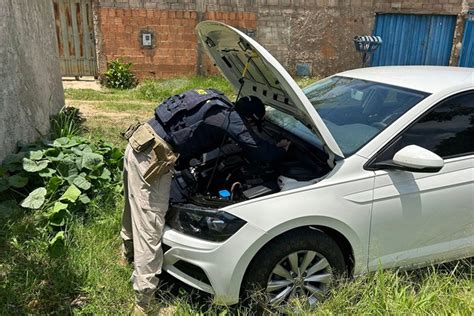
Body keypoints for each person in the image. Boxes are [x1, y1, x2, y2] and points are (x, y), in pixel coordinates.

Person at [120, 89, 290, 314]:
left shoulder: (213, 100)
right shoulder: (228, 117)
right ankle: (145, 303)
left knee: (133, 210)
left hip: (138, 143)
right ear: (249, 118)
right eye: (252, 123)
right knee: (150, 228)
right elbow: (257, 147)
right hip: (152, 160)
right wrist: (280, 151)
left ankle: (126, 253)